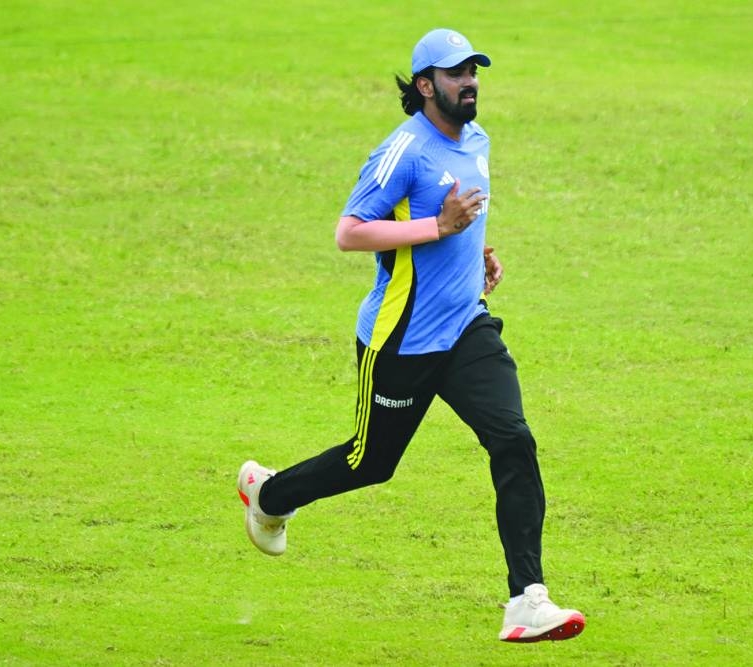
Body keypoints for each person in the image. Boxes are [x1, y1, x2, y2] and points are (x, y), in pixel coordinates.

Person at [236, 28, 584, 643]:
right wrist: (437, 226)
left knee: (514, 440)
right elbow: (350, 232)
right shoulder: (403, 151)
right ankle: (269, 496)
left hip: (465, 327)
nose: (470, 81)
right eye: (456, 74)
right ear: (426, 86)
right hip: (400, 340)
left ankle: (527, 599)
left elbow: (457, 222)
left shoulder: (478, 139)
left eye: (474, 70)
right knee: (371, 463)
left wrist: (476, 254)